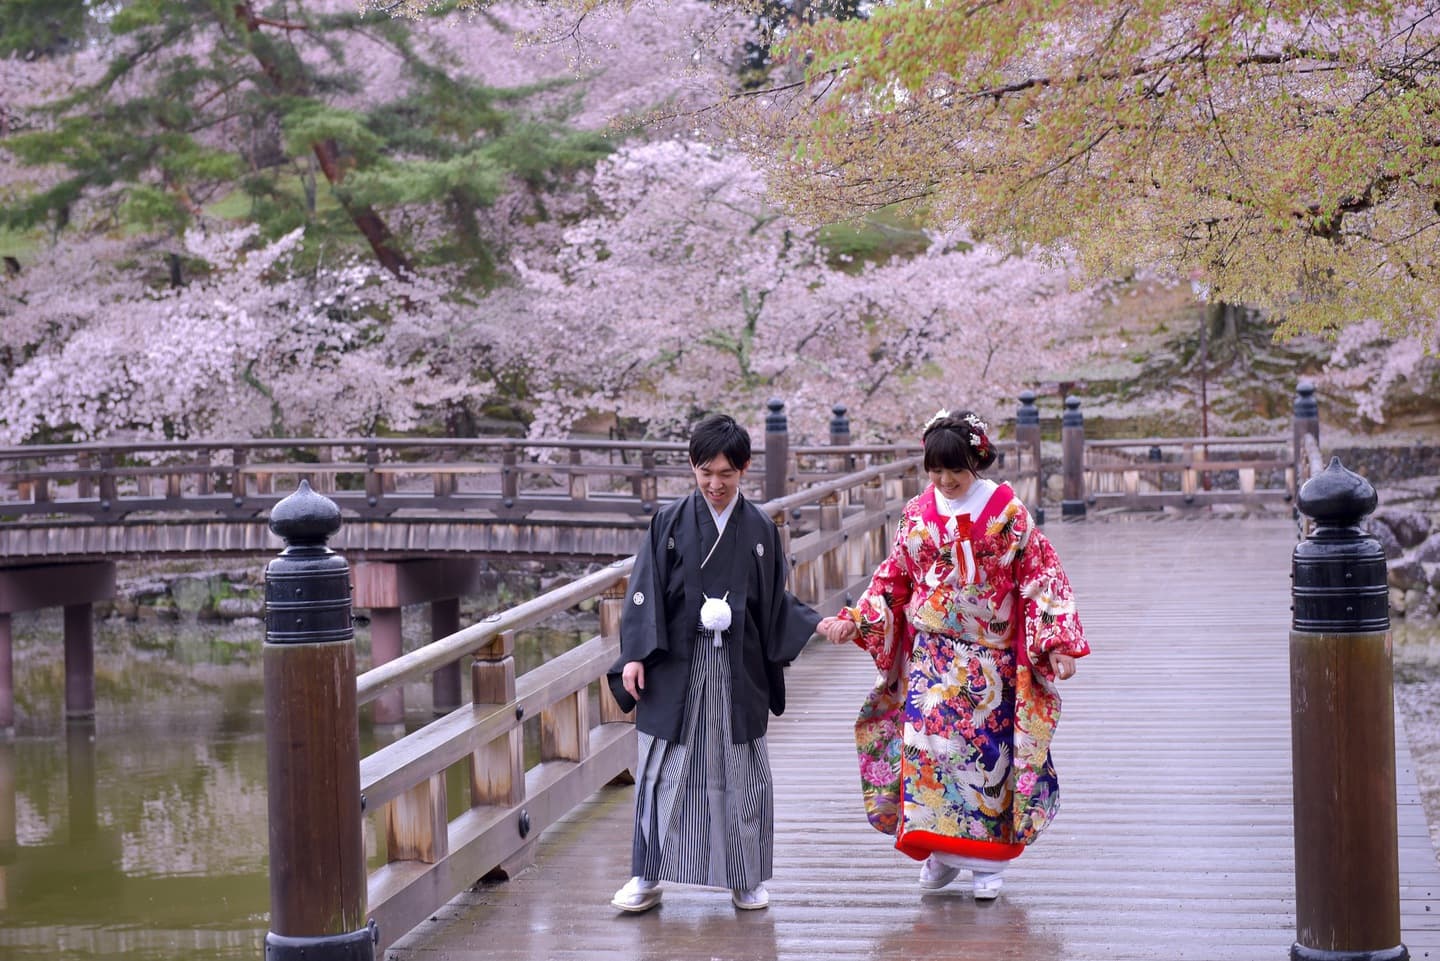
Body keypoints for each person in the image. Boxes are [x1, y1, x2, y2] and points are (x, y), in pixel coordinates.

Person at [817, 407, 1088, 901]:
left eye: (955, 471)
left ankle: (986, 864)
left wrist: (1056, 643)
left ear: (977, 462)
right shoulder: (918, 513)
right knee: (930, 756)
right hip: (932, 658)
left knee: (987, 760)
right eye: (936, 471)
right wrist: (857, 618)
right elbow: (894, 577)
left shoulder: (1007, 512)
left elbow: (1040, 573)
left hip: (992, 661)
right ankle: (940, 856)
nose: (945, 480)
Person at [607, 413, 821, 913]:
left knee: (741, 768)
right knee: (662, 767)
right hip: (675, 662)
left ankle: (745, 877)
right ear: (692, 467)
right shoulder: (671, 521)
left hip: (736, 666)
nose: (715, 484)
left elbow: (775, 603)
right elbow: (645, 592)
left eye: (726, 473)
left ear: (744, 469)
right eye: (706, 472)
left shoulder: (761, 528)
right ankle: (647, 874)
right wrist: (636, 655)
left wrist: (814, 623)